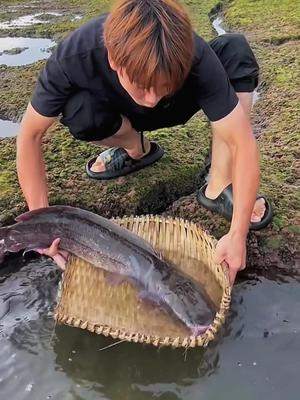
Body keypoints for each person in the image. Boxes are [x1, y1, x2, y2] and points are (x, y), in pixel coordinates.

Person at [16, 0, 272, 284]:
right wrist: (42, 223)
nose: (151, 99)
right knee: (79, 111)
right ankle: (136, 150)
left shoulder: (192, 54)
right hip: (119, 115)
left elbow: (243, 144)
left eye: (159, 88)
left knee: (235, 49)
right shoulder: (75, 55)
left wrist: (237, 235)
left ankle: (219, 185)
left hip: (178, 105)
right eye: (142, 86)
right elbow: (30, 135)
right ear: (114, 60)